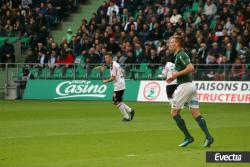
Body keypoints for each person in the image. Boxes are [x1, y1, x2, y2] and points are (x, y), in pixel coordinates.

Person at [167, 35, 214, 147]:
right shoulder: (179, 55)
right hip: (190, 86)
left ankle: (188, 137)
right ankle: (208, 137)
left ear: (177, 43)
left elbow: (191, 67)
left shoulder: (181, 55)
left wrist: (176, 74)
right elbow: (186, 70)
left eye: (171, 42)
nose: (170, 44)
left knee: (174, 113)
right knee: (195, 113)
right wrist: (174, 77)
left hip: (184, 87)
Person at [102, 52, 135, 121]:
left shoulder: (113, 65)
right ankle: (130, 110)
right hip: (119, 84)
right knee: (116, 101)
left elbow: (113, 77)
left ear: (110, 57)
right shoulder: (113, 64)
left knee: (116, 101)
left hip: (119, 84)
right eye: (105, 58)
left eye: (107, 58)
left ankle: (127, 116)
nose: (106, 59)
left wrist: (106, 81)